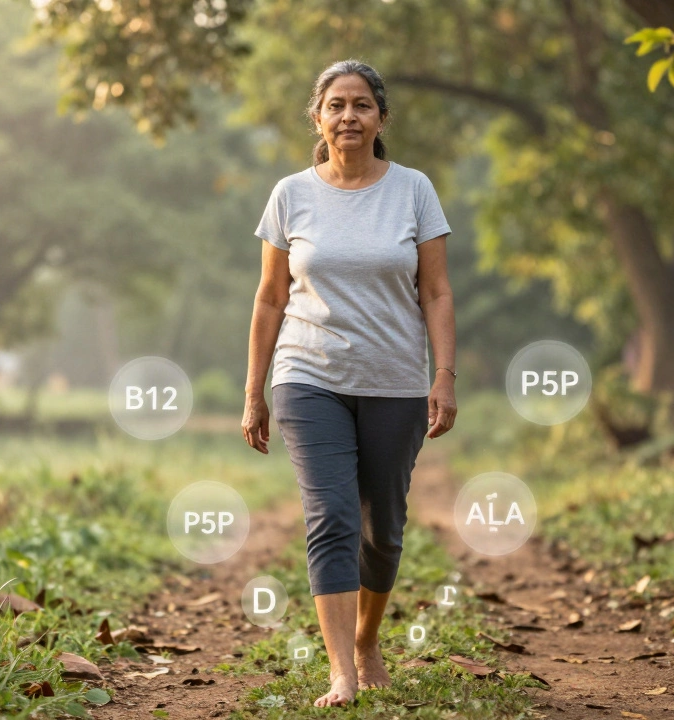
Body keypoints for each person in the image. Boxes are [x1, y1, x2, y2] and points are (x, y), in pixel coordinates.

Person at [240, 58, 458, 708]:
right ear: (318, 116)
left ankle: (367, 639)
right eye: (336, 104)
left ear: (381, 118)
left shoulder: (414, 190)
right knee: (330, 516)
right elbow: (271, 299)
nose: (348, 116)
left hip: (394, 380)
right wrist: (255, 389)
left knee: (382, 527)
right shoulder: (290, 195)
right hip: (309, 378)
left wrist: (443, 375)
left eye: (361, 104)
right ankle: (342, 671)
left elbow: (438, 292)